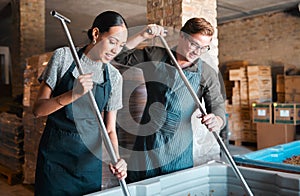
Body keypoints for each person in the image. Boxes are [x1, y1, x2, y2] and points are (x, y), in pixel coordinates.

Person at [114, 17, 226, 183]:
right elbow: (118, 56)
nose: (197, 51)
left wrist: (216, 121)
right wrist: (142, 35)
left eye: (204, 48)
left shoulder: (207, 73)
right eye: (194, 44)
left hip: (179, 148)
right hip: (147, 144)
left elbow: (217, 107)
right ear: (182, 36)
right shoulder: (156, 55)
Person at [33, 11, 128, 196]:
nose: (116, 50)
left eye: (121, 45)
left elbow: (109, 130)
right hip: (55, 160)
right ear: (95, 34)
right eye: (113, 41)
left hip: (88, 163)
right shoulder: (64, 57)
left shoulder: (114, 77)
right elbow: (38, 110)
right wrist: (72, 94)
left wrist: (117, 158)